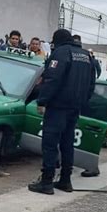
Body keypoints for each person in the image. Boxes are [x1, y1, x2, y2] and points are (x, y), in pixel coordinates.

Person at [28, 29, 95, 195]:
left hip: (58, 107)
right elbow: (92, 83)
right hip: (75, 107)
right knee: (67, 143)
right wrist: (83, 102)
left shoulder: (61, 53)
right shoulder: (86, 55)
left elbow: (52, 79)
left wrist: (42, 101)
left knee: (50, 144)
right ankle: (65, 180)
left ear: (57, 40)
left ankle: (47, 182)